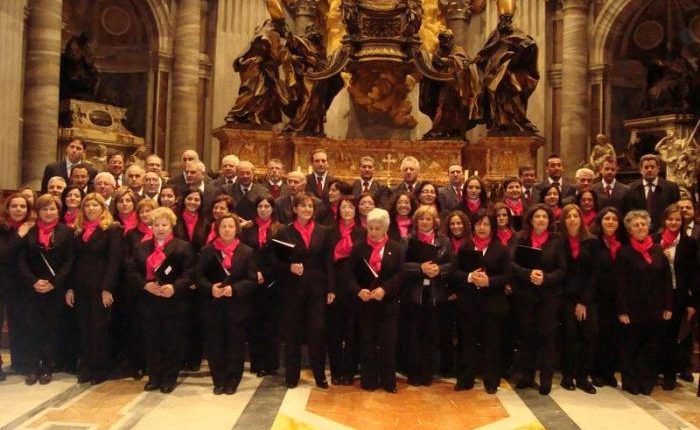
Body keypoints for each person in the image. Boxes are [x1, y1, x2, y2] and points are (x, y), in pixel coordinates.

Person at [270, 192, 335, 389]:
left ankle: (319, 375)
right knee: (292, 333)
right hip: (292, 289)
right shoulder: (284, 232)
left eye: (310, 206)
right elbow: (274, 261)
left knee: (317, 331)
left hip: (317, 288)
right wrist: (288, 267)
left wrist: (331, 288)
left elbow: (328, 262)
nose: (307, 209)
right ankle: (292, 375)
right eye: (303, 205)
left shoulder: (324, 232)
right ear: (295, 209)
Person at [128, 207, 195, 393]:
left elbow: (189, 273)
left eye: (164, 224)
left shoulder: (182, 247)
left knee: (172, 341)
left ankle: (169, 377)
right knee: (152, 340)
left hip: (174, 301)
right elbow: (132, 272)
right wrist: (145, 285)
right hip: (149, 301)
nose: (160, 228)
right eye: (156, 224)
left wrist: (174, 287)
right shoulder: (141, 247)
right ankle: (154, 376)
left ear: (171, 225)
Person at [343, 208, 404, 392]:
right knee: (367, 342)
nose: (373, 232)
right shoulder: (359, 248)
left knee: (388, 342)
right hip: (366, 303)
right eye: (370, 228)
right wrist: (358, 290)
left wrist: (384, 289)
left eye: (378, 228)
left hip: (388, 303)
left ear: (385, 228)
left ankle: (388, 382)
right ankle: (369, 380)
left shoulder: (396, 248)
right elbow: (349, 273)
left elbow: (400, 274)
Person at [450, 208, 510, 393]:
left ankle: (491, 380)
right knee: (467, 341)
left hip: (492, 303)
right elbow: (454, 272)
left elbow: (508, 275)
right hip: (468, 303)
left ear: (492, 227)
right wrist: (469, 277)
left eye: (486, 224)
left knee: (491, 342)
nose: (482, 227)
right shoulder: (466, 246)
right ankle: (465, 379)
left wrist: (489, 281)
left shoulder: (501, 248)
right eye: (478, 223)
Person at [196, 213, 257, 395]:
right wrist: (210, 288)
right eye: (223, 226)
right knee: (215, 344)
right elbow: (198, 277)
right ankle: (219, 380)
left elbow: (252, 280)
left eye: (231, 226)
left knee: (235, 345)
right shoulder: (208, 250)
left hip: (236, 307)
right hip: (213, 305)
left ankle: (232, 380)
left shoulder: (246, 252)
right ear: (217, 229)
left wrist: (235, 289)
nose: (227, 230)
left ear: (236, 229)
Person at [18, 195, 75, 385]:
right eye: (44, 209)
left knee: (51, 328)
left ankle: (47, 365)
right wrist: (33, 281)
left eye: (52, 209)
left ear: (58, 211)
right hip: (32, 288)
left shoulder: (67, 232)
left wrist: (54, 282)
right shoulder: (29, 231)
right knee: (32, 326)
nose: (48, 213)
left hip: (55, 288)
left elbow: (69, 261)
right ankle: (32, 365)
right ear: (38, 211)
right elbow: (21, 260)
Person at [510, 204, 566, 395]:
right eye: (537, 216)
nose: (541, 219)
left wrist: (545, 278)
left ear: (549, 220)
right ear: (530, 220)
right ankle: (526, 376)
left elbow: (562, 269)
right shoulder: (520, 238)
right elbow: (511, 263)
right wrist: (527, 274)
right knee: (526, 336)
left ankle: (546, 379)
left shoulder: (557, 241)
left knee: (546, 338)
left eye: (544, 216)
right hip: (525, 295)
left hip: (548, 296)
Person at [67, 193, 122, 385]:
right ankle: (86, 367)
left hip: (101, 286)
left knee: (100, 328)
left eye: (95, 205)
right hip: (81, 286)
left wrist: (107, 288)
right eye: (87, 205)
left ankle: (100, 368)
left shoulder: (112, 229)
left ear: (103, 208)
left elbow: (114, 261)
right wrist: (70, 288)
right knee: (84, 327)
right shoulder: (78, 230)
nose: (91, 208)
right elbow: (73, 261)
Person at [616, 210, 673, 395]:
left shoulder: (657, 250)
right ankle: (631, 382)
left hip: (655, 308)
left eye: (643, 224)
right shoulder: (624, 252)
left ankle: (646, 381)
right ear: (629, 230)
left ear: (648, 226)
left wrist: (668, 306)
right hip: (632, 309)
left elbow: (666, 280)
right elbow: (620, 284)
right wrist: (622, 310)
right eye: (636, 225)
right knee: (630, 346)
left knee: (650, 346)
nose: (640, 227)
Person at [403, 205, 453, 386]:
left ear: (435, 222)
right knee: (413, 335)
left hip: (435, 294)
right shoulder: (408, 240)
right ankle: (414, 373)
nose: (424, 222)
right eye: (421, 219)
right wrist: (419, 268)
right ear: (416, 222)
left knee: (431, 335)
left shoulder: (444, 241)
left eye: (428, 219)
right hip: (414, 294)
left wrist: (439, 269)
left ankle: (427, 373)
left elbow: (452, 264)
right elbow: (400, 265)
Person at [652, 204, 696, 391]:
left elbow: (694, 273)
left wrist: (692, 302)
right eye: (670, 219)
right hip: (657, 295)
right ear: (664, 220)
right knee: (656, 334)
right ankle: (654, 372)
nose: (674, 222)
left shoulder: (689, 243)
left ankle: (670, 374)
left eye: (677, 219)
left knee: (672, 336)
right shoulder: (655, 240)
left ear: (682, 221)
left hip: (678, 295)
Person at [473, 11, 539, 133]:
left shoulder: (519, 35)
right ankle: (500, 122)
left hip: (511, 72)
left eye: (506, 20)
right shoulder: (495, 35)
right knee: (496, 96)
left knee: (513, 95)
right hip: (495, 72)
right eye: (502, 19)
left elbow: (530, 44)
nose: (503, 23)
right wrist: (481, 57)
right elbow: (486, 51)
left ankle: (518, 121)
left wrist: (518, 51)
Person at [239, 196, 283, 377]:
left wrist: (266, 274)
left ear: (272, 209)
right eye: (260, 206)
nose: (263, 209)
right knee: (254, 324)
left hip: (273, 282)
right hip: (252, 281)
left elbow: (281, 257)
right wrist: (254, 273)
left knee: (271, 325)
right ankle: (257, 363)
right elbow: (243, 255)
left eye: (267, 206)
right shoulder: (247, 230)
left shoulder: (280, 230)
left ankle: (271, 363)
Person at [559, 204, 598, 394]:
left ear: (581, 219)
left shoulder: (592, 241)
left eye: (576, 216)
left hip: (587, 298)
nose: (572, 219)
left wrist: (583, 301)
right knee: (569, 337)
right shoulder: (559, 241)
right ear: (563, 220)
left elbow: (594, 274)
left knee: (589, 336)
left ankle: (583, 376)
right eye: (568, 216)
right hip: (566, 297)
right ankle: (568, 376)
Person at [327, 195, 365, 385]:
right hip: (335, 285)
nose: (347, 210)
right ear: (338, 210)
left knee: (352, 331)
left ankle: (349, 371)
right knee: (334, 331)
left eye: (351, 207)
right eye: (344, 207)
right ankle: (336, 371)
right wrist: (330, 287)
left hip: (354, 286)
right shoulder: (329, 231)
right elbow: (327, 263)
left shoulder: (362, 232)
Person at [0, 194, 35, 378]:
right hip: (2, 282)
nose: (19, 209)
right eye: (15, 206)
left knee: (21, 325)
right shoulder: (4, 228)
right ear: (8, 208)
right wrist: (19, 236)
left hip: (22, 284)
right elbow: (3, 253)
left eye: (23, 206)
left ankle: (21, 362)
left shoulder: (31, 228)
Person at [590, 207, 625, 388]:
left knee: (614, 335)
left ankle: (609, 371)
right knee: (599, 334)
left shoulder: (623, 243)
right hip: (598, 296)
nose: (610, 222)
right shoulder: (594, 242)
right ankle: (596, 371)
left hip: (617, 296)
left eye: (614, 219)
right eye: (607, 219)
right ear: (600, 221)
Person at [622, 154, 680, 231]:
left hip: (665, 232)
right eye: (646, 167)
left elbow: (676, 211)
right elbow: (629, 213)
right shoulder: (630, 189)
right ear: (640, 170)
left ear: (658, 169)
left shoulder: (671, 188)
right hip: (640, 231)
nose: (649, 170)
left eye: (652, 167)